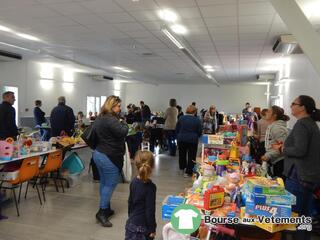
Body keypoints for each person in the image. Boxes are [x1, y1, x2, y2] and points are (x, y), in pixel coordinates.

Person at [273, 95, 320, 240]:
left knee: (292, 215)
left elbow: (300, 150)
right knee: (304, 215)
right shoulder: (311, 124)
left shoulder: (302, 124)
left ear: (302, 108)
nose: (291, 106)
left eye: (294, 103)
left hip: (298, 176)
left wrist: (282, 149)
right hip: (309, 176)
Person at [92, 95, 128, 227]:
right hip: (109, 156)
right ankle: (101, 212)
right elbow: (123, 132)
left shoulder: (100, 118)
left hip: (99, 154)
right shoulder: (111, 120)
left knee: (104, 182)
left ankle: (106, 208)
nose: (120, 108)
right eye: (118, 106)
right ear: (112, 106)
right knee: (110, 184)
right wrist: (124, 123)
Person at [125, 151, 156, 240]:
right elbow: (150, 210)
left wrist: (131, 218)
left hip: (131, 225)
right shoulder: (151, 187)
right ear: (152, 166)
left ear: (135, 164)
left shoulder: (133, 182)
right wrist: (152, 229)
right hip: (143, 228)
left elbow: (130, 202)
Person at [261, 106, 289, 179]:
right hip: (274, 160)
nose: (266, 113)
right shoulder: (272, 126)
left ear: (274, 115)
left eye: (269, 111)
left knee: (279, 184)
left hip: (280, 162)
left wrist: (268, 156)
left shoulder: (277, 128)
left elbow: (282, 147)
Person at [176, 105, 202, 177]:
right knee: (191, 156)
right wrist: (197, 136)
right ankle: (188, 172)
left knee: (182, 154)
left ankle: (182, 168)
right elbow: (199, 131)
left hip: (182, 139)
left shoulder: (181, 118)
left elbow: (177, 129)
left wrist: (178, 136)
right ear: (195, 112)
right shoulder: (197, 120)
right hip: (192, 140)